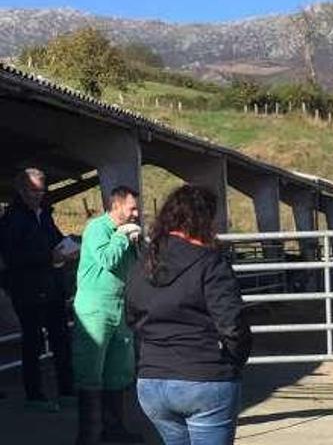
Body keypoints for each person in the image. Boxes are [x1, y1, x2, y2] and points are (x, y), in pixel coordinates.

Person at [126, 184, 252, 445]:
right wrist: (233, 362)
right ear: (203, 221)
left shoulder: (144, 262)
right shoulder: (210, 263)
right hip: (203, 376)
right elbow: (233, 324)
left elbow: (131, 316)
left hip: (152, 381)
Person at [0, 168, 75, 411]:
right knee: (31, 342)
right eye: (33, 190)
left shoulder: (46, 215)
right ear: (21, 190)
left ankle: (67, 390)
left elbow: (56, 240)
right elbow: (11, 256)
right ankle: (35, 395)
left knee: (61, 339)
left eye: (41, 190)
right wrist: (47, 256)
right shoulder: (12, 219)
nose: (38, 195)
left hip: (52, 286)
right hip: (27, 289)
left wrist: (68, 248)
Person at [73, 185, 143, 444]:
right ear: (116, 206)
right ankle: (89, 435)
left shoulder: (126, 232)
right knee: (90, 370)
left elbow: (133, 268)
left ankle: (115, 430)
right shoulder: (97, 228)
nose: (136, 212)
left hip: (118, 306)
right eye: (132, 207)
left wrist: (135, 242)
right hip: (95, 309)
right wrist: (123, 236)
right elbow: (108, 259)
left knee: (118, 371)